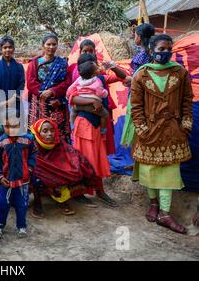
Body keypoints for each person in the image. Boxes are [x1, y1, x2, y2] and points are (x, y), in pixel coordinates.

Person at [130, 34, 193, 234]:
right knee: (150, 170)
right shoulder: (141, 75)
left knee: (169, 172)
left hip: (173, 130)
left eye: (168, 49)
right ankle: (153, 203)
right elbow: (136, 107)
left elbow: (187, 101)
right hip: (149, 131)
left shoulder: (180, 73)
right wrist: (142, 129)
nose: (165, 52)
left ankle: (165, 214)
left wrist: (185, 125)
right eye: (161, 49)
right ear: (151, 50)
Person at [68, 54, 122, 207]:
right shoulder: (80, 82)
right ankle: (79, 192)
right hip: (85, 125)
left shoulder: (102, 79)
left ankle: (99, 190)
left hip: (96, 126)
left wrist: (112, 65)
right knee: (85, 159)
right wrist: (92, 101)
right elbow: (72, 99)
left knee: (96, 158)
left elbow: (124, 78)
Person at [29, 118, 97, 218]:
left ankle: (75, 195)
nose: (50, 134)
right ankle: (37, 203)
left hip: (58, 171)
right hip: (41, 174)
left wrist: (76, 164)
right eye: (45, 131)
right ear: (38, 133)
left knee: (81, 166)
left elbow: (71, 153)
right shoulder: (33, 146)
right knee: (35, 175)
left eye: (52, 130)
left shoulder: (59, 142)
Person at [0, 111, 37, 239]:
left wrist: (30, 167)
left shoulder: (28, 139)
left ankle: (21, 226)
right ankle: (0, 225)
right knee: (3, 204)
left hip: (23, 180)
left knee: (21, 204)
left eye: (15, 125)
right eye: (7, 126)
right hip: (6, 180)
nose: (11, 129)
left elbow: (34, 153)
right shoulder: (1, 142)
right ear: (2, 126)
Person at [26, 33, 70, 139]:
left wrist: (52, 91)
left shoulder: (62, 63)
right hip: (39, 103)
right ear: (43, 46)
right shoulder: (35, 63)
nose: (51, 47)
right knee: (38, 131)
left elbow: (67, 82)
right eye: (48, 44)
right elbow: (30, 82)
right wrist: (42, 93)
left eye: (54, 44)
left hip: (56, 103)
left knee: (57, 133)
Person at [67, 60, 109, 134]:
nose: (99, 68)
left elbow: (70, 89)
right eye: (97, 68)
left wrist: (68, 95)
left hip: (78, 105)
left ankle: (72, 125)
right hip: (92, 107)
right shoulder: (97, 81)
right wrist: (105, 93)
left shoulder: (79, 80)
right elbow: (100, 93)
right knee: (105, 114)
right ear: (93, 75)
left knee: (73, 111)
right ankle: (103, 129)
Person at [0, 36, 25, 126]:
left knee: (15, 128)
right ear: (1, 49)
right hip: (1, 103)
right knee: (0, 128)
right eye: (5, 47)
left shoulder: (19, 67)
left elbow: (21, 84)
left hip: (15, 101)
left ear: (13, 49)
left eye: (10, 47)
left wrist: (13, 98)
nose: (7, 50)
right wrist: (3, 101)